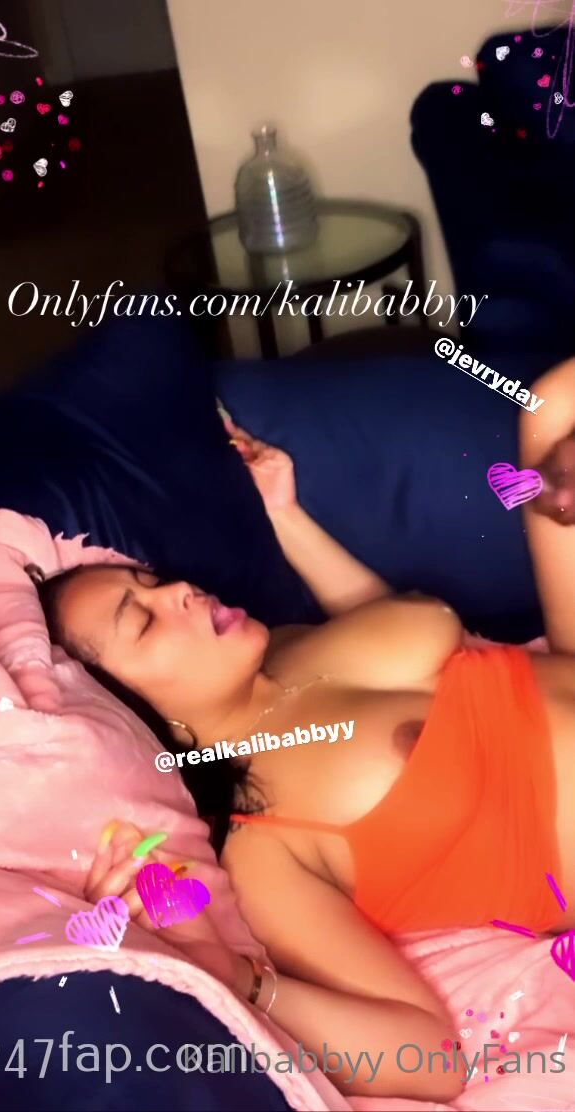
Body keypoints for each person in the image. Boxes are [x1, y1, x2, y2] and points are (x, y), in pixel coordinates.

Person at [30, 357, 575, 1102]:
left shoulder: (278, 651)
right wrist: (235, 978)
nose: (180, 591)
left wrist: (284, 514)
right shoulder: (265, 843)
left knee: (555, 407)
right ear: (136, 712)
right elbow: (429, 1056)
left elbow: (408, 646)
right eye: (144, 619)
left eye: (152, 583)